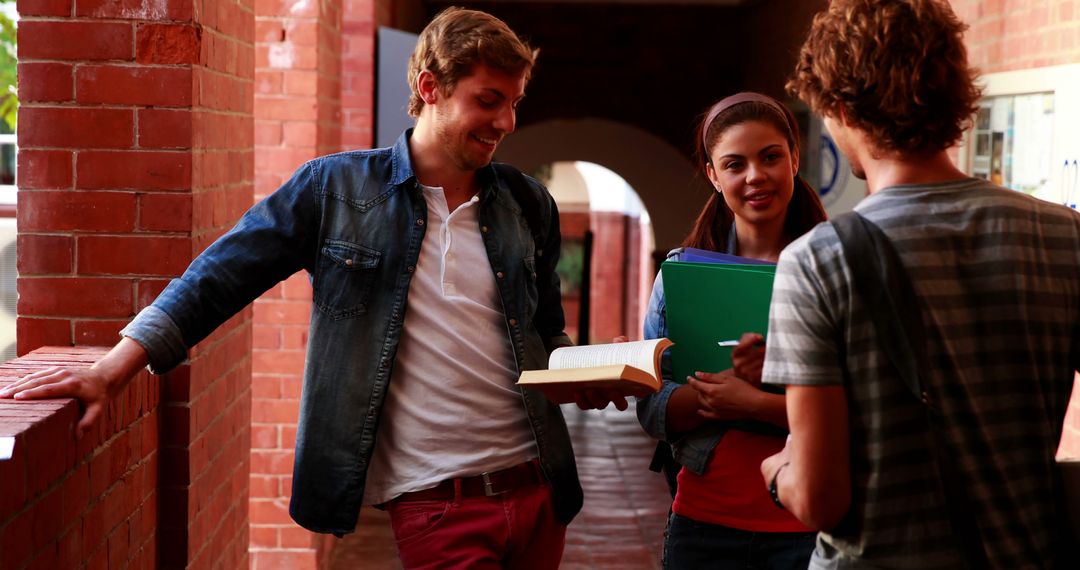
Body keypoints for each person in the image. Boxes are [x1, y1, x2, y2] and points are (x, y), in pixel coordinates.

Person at [0, 8, 621, 569]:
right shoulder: (336, 190)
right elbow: (218, 276)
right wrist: (113, 369)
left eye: (514, 103)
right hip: (437, 499)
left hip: (540, 485)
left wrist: (585, 373)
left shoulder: (525, 201)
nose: (506, 123)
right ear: (430, 88)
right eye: (489, 101)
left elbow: (544, 329)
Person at [759, 0, 1080, 568]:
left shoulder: (818, 262)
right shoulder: (1063, 234)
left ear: (838, 106)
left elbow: (818, 498)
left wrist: (779, 469)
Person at [637, 92, 827, 569]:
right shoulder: (681, 275)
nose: (755, 176)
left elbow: (866, 412)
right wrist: (715, 395)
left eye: (770, 157)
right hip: (702, 524)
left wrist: (755, 403)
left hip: (808, 526)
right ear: (713, 176)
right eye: (735, 164)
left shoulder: (835, 268)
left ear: (794, 158)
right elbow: (653, 408)